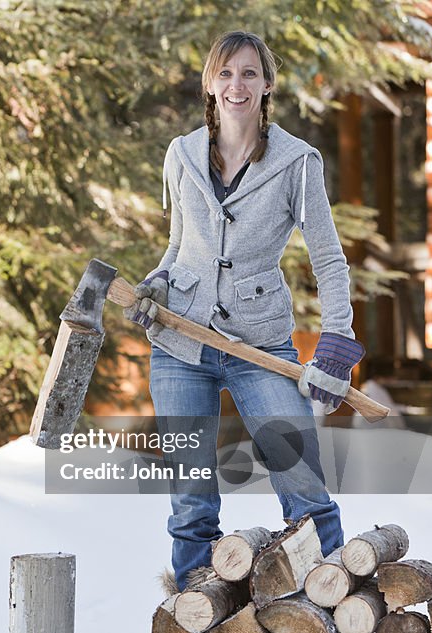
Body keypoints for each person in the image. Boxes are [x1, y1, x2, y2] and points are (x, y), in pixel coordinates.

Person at [125, 30, 363, 592]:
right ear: (210, 83)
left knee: (302, 482)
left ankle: (332, 605)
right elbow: (178, 245)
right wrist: (156, 286)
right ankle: (193, 615)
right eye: (226, 73)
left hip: (259, 345)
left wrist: (336, 340)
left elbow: (328, 258)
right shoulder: (181, 154)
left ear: (266, 86)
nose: (237, 84)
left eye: (250, 73)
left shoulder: (298, 163)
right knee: (191, 501)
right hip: (180, 345)